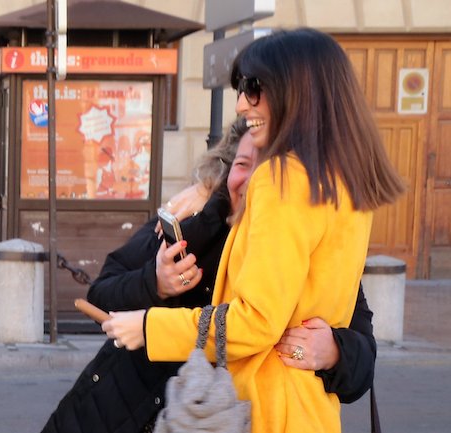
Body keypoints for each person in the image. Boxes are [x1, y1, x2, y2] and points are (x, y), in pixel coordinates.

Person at [102, 28, 405, 432]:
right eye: (241, 88)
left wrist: (148, 327)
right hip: (308, 408)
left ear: (299, 89)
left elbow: (255, 322)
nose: (242, 103)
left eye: (253, 86)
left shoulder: (283, 177)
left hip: (261, 410)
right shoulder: (342, 183)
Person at [42, 118, 376, 433]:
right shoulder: (191, 218)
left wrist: (333, 352)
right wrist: (154, 282)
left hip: (209, 421)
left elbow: (361, 368)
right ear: (225, 170)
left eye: (267, 171)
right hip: (108, 413)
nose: (252, 182)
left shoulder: (310, 249)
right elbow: (102, 291)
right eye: (243, 165)